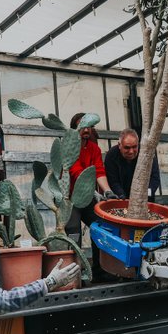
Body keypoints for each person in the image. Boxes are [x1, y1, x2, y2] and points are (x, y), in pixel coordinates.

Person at [65, 113, 117, 281]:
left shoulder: (94, 148)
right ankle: (74, 275)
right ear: (75, 128)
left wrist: (107, 191)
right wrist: (93, 191)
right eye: (82, 126)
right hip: (70, 199)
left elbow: (99, 171)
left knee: (99, 228)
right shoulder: (69, 146)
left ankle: (100, 271)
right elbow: (76, 171)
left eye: (88, 126)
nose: (86, 129)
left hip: (87, 198)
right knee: (73, 233)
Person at [104, 128, 161, 200]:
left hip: (144, 199)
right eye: (127, 148)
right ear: (119, 145)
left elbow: (155, 178)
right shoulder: (112, 155)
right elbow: (113, 181)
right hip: (121, 198)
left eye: (134, 147)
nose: (131, 151)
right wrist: (121, 196)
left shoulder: (147, 153)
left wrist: (146, 194)